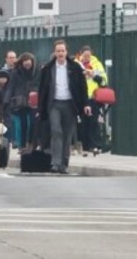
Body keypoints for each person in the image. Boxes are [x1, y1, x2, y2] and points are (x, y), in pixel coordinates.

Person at [37, 40, 90, 174]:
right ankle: (55, 162)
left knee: (67, 135)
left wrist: (86, 104)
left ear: (67, 52)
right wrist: (40, 108)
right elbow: (42, 89)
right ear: (54, 53)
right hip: (54, 103)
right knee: (56, 131)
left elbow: (83, 87)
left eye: (63, 51)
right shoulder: (48, 69)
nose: (60, 53)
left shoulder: (75, 68)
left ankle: (64, 164)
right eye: (58, 51)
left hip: (70, 104)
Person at [2, 52, 39, 153]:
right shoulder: (16, 72)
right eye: (25, 64)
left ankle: (31, 144)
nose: (27, 66)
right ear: (22, 63)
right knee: (23, 124)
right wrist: (6, 100)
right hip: (20, 101)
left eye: (29, 64)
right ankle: (22, 145)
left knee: (32, 123)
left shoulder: (37, 72)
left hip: (33, 101)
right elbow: (11, 87)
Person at [77, 45, 107, 156]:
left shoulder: (97, 65)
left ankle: (95, 145)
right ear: (81, 55)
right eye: (85, 56)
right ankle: (84, 145)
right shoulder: (76, 64)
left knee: (93, 121)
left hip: (93, 98)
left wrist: (93, 75)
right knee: (82, 122)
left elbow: (103, 81)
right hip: (80, 98)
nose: (87, 58)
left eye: (89, 56)